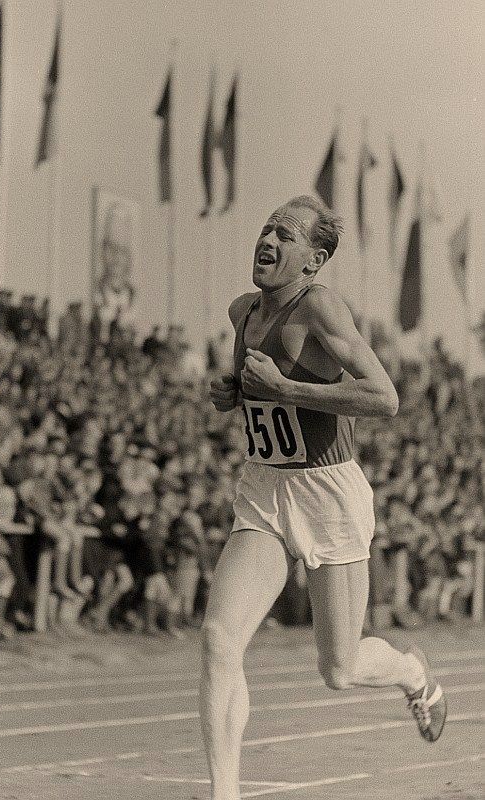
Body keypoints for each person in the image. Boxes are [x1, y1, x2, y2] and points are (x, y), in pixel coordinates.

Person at [200, 195, 447, 800]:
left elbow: (383, 398)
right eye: (266, 228)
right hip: (264, 489)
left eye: (285, 235)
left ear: (314, 260)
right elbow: (251, 391)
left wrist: (286, 388)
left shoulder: (321, 308)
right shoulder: (242, 311)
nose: (269, 240)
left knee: (339, 669)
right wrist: (232, 392)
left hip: (327, 491)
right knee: (218, 637)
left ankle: (413, 673)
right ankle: (224, 793)